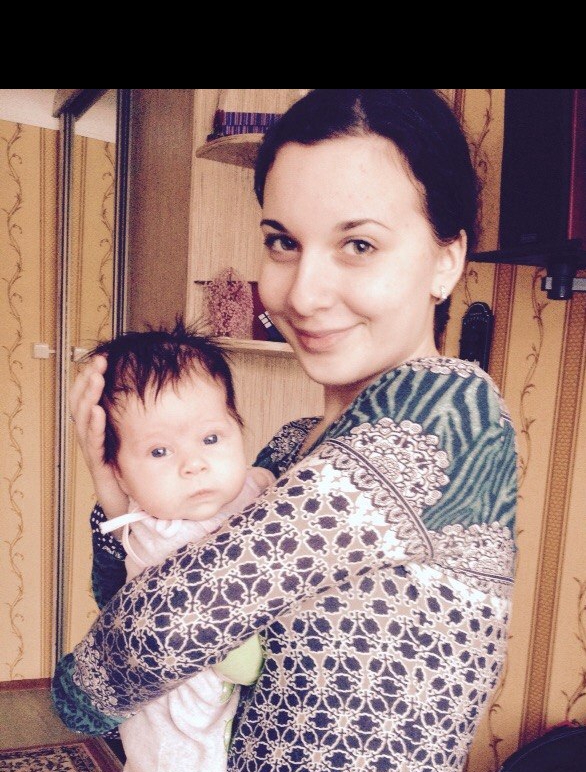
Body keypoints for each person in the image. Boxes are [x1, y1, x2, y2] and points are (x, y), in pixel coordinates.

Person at [52, 89, 518, 772]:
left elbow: (163, 629)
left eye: (358, 244)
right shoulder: (289, 447)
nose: (301, 292)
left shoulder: (451, 409)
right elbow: (132, 595)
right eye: (283, 242)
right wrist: (112, 487)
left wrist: (72, 697)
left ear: (447, 258)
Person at [68, 320, 273, 772]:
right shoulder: (163, 542)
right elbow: (243, 664)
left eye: (211, 438)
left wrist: (266, 482)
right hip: (174, 745)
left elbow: (256, 481)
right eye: (160, 451)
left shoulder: (240, 488)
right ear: (121, 474)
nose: (194, 464)